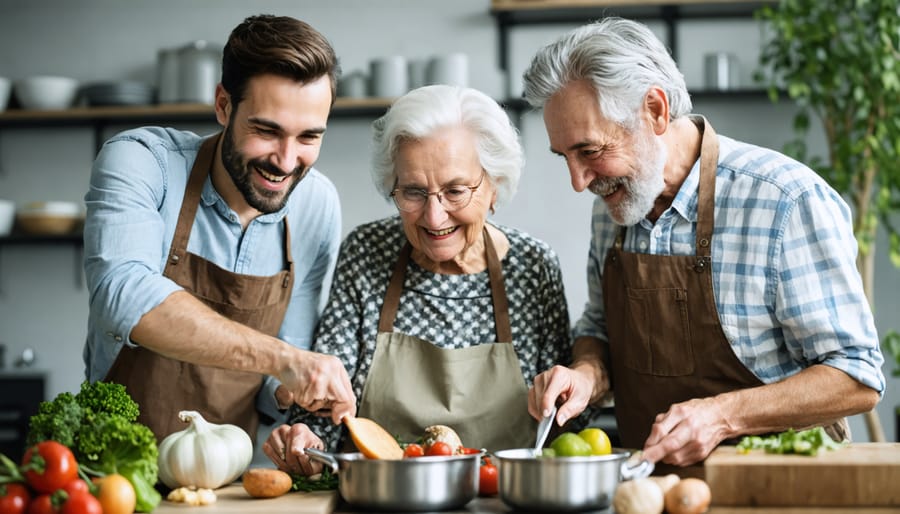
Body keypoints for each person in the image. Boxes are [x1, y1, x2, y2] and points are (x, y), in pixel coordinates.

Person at [520, 17, 885, 471]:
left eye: (590, 151)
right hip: (649, 490)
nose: (578, 182)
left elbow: (857, 378)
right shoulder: (615, 203)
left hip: (774, 489)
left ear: (654, 110)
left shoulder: (785, 201)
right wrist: (588, 373)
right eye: (565, 157)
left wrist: (722, 416)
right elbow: (599, 325)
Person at [263, 85, 581, 475]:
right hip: (382, 500)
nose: (433, 217)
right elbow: (323, 410)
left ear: (494, 185)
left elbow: (564, 425)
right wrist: (305, 443)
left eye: (455, 191)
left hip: (502, 498)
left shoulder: (533, 268)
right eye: (413, 191)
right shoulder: (366, 253)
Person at [81, 14, 356, 444]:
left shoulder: (317, 205)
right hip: (116, 471)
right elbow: (122, 294)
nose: (285, 161)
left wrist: (291, 391)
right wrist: (283, 359)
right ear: (224, 106)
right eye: (267, 130)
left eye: (308, 137)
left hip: (233, 482)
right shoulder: (141, 161)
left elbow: (284, 362)